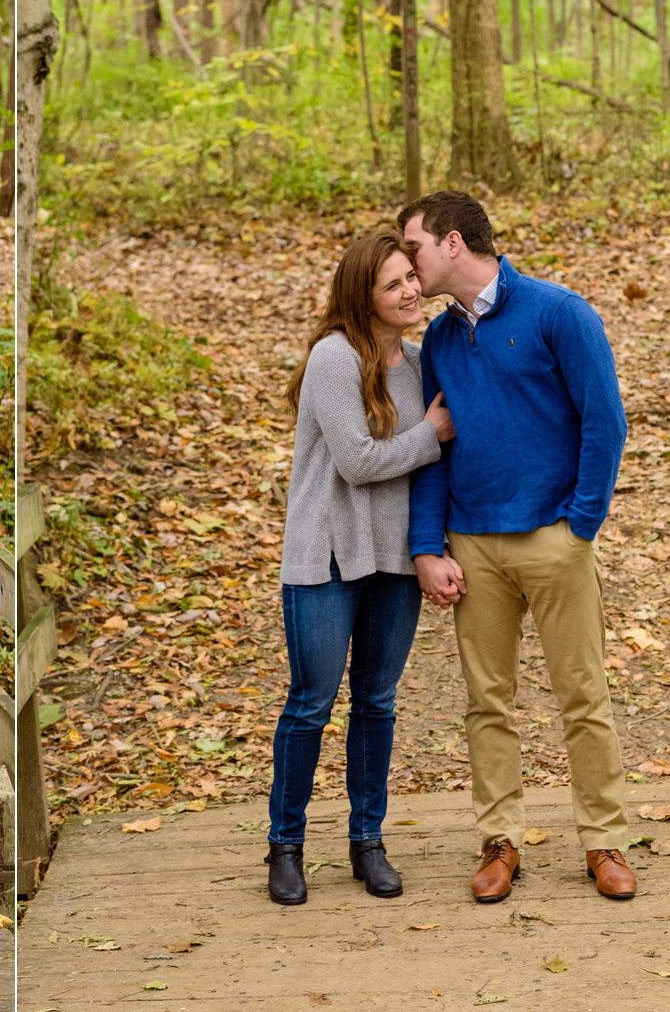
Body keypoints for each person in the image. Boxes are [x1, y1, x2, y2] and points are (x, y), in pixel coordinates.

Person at [399, 190, 635, 904]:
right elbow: (436, 451)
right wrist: (425, 546)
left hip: (554, 540)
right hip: (473, 546)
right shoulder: (439, 341)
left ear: (451, 243)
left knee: (582, 695)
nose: (407, 269)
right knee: (487, 701)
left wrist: (580, 529)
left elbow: (606, 423)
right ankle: (499, 841)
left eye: (412, 248)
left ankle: (603, 841)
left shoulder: (559, 313)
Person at [264, 227, 455, 906]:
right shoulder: (332, 358)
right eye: (392, 284)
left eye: (411, 277)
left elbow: (431, 468)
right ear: (363, 296)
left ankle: (367, 840)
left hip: (395, 558)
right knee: (311, 704)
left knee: (376, 702)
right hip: (326, 556)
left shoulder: (419, 362)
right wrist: (429, 436)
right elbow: (358, 463)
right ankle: (285, 847)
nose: (409, 292)